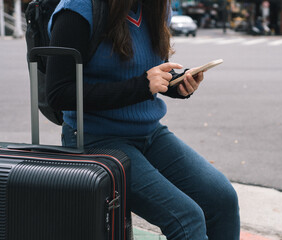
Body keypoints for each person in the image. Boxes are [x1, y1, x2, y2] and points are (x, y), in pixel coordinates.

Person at [45, 0, 240, 239]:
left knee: (223, 198)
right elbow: (58, 93)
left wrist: (178, 85)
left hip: (150, 134)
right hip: (95, 139)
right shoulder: (78, 10)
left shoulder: (156, 7)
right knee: (186, 218)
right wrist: (141, 86)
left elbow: (150, 72)